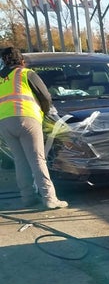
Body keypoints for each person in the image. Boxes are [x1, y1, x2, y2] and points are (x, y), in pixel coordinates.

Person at [0, 46, 68, 209]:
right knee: (37, 159)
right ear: (22, 61)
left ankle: (27, 197)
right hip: (27, 118)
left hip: (4, 122)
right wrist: (45, 112)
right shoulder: (25, 73)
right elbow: (45, 96)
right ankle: (49, 198)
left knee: (20, 160)